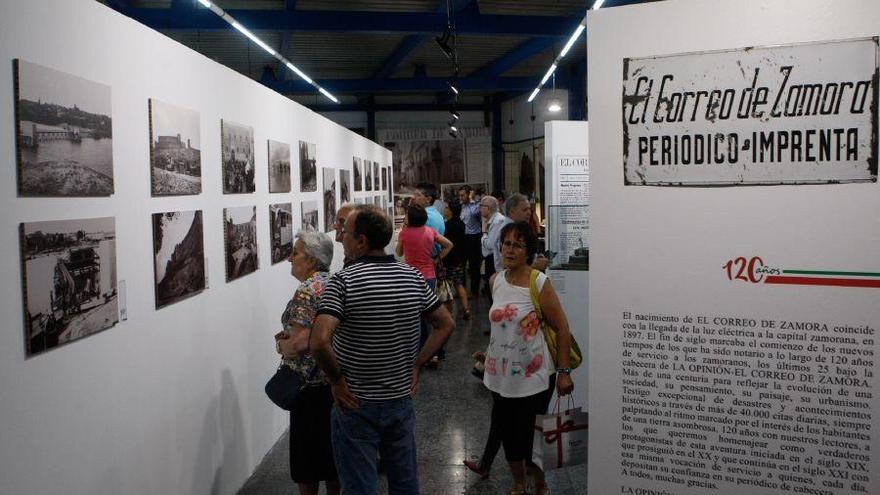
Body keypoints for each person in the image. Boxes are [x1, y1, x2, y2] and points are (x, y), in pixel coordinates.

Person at [310, 205, 455, 495]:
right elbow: (445, 324)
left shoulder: (343, 282)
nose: (341, 238)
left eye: (345, 233)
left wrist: (337, 381)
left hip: (355, 402)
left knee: (360, 486)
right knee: (404, 482)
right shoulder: (412, 277)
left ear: (362, 241)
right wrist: (417, 363)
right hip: (399, 399)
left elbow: (318, 341)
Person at [482, 221, 574, 495]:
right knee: (508, 435)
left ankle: (541, 485)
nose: (509, 250)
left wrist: (564, 371)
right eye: (506, 243)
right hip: (500, 376)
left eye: (517, 245)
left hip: (533, 377)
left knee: (532, 436)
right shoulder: (495, 280)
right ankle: (519, 483)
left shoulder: (539, 282)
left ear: (528, 251)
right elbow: (501, 325)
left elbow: (562, 327)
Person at [274, 230, 339, 495]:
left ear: (311, 260)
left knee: (307, 463)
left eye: (296, 253)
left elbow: (299, 343)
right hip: (333, 380)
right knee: (332, 458)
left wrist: (282, 345)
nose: (290, 259)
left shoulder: (307, 290)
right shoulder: (334, 282)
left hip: (309, 386)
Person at [396, 204, 454, 366]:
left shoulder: (405, 234)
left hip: (411, 278)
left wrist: (403, 232)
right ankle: (435, 351)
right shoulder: (430, 232)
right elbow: (449, 245)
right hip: (429, 276)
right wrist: (437, 258)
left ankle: (425, 352)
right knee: (430, 313)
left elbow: (399, 252)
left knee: (417, 316)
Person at [440, 201, 471, 319]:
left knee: (447, 287)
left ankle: (449, 313)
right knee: (459, 284)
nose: (445, 209)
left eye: (447, 207)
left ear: (451, 211)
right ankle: (466, 309)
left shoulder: (447, 225)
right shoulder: (462, 224)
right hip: (459, 259)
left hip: (448, 259)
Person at [504, 194, 549, 271]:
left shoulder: (521, 228)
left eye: (529, 209)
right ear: (512, 212)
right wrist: (533, 266)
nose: (529, 213)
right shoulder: (506, 232)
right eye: (525, 210)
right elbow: (508, 268)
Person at [458, 186, 483, 298]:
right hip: (463, 238)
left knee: (474, 266)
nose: (461, 197)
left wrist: (473, 199)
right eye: (460, 195)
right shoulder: (460, 207)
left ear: (469, 194)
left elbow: (476, 215)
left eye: (463, 195)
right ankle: (461, 290)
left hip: (475, 237)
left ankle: (474, 291)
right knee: (461, 265)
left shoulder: (476, 205)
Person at [480, 195, 511, 276]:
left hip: (493, 260)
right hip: (490, 259)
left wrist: (484, 234)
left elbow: (490, 245)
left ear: (488, 208)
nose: (480, 209)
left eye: (481, 206)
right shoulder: (490, 220)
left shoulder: (498, 221)